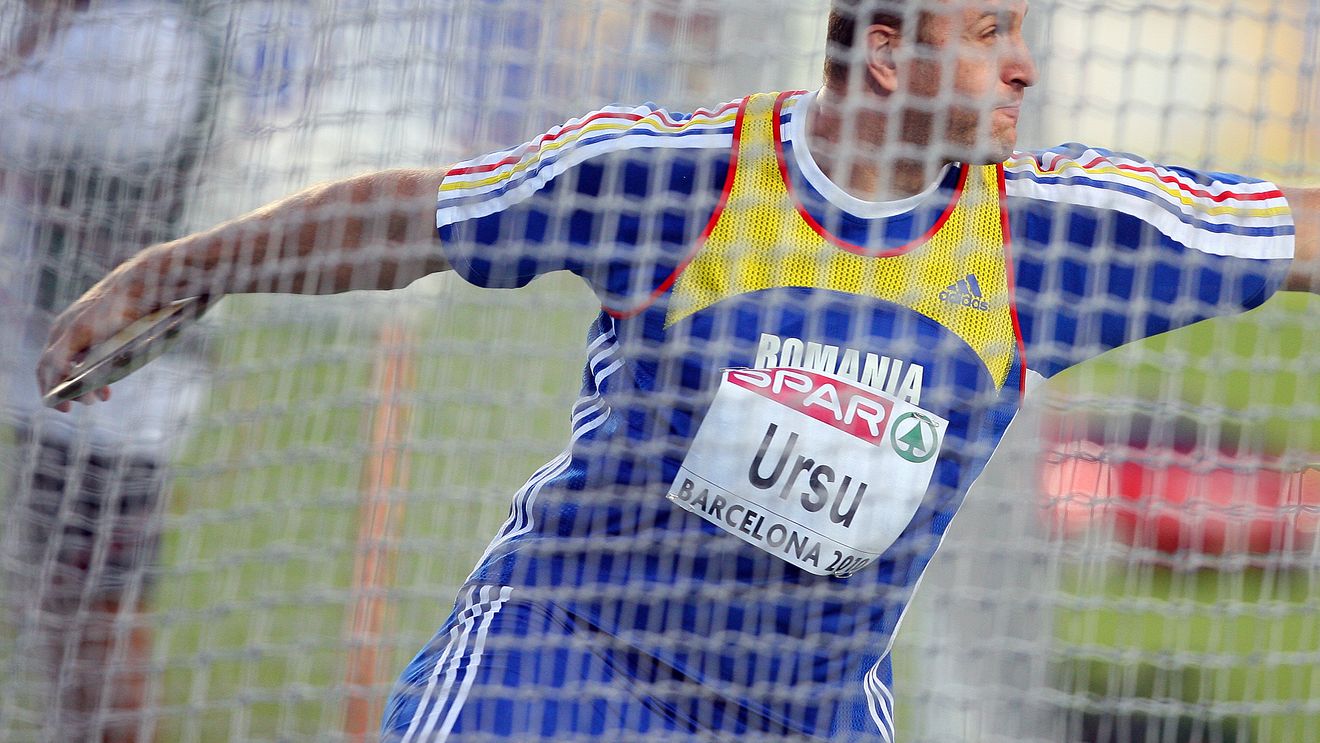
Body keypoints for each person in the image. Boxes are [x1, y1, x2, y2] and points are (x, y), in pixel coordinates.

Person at [35, 0, 1317, 740]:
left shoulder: (1051, 238)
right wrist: (180, 271)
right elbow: (413, 220)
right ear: (884, 52)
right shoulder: (672, 176)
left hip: (795, 714)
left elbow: (1296, 230)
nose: (1025, 64)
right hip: (558, 665)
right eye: (988, 32)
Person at [0, 2, 211, 741]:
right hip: (48, 379)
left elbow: (23, 121)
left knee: (95, 625)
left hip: (116, 397)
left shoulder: (142, 35)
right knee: (58, 616)